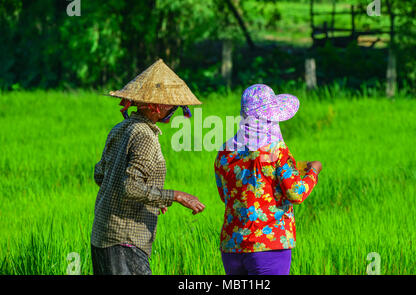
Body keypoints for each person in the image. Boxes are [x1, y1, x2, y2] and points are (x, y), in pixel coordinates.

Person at [91, 59, 206, 275]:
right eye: (172, 105)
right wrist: (176, 196)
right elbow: (131, 187)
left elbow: (100, 175)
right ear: (157, 107)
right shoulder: (145, 136)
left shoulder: (120, 128)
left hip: (103, 234)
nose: (174, 110)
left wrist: (155, 197)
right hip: (125, 240)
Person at [214, 84, 322, 275]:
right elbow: (296, 193)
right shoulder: (276, 151)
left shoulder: (225, 153)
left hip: (232, 246)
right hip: (268, 247)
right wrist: (313, 171)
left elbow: (225, 195)